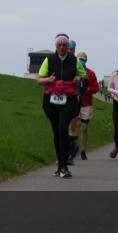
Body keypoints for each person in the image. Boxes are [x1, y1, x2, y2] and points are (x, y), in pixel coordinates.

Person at [36, 33, 86, 179]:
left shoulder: (73, 60)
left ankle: (64, 167)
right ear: (56, 47)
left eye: (65, 45)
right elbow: (39, 80)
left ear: (68, 47)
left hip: (68, 100)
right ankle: (59, 167)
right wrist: (49, 79)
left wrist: (78, 77)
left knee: (63, 128)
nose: (62, 47)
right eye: (60, 45)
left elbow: (83, 75)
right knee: (57, 132)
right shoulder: (49, 59)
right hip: (51, 101)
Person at [74, 51, 99, 161]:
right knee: (74, 126)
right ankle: (73, 148)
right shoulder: (73, 72)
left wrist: (88, 89)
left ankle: (84, 149)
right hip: (74, 102)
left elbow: (96, 88)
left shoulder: (91, 73)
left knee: (84, 128)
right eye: (79, 59)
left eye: (83, 60)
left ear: (86, 61)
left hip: (86, 103)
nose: (81, 61)